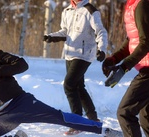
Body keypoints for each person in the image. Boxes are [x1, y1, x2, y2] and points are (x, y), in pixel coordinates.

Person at [43, 0, 108, 135]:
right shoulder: (67, 11)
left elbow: (101, 31)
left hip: (84, 54)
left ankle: (76, 122)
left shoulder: (90, 10)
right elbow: (66, 31)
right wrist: (52, 36)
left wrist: (102, 49)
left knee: (69, 85)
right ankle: (93, 118)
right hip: (70, 54)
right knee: (78, 86)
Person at [102, 0, 149, 136]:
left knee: (125, 112)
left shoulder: (144, 4)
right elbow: (133, 39)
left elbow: (146, 43)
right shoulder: (135, 4)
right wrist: (114, 58)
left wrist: (123, 67)